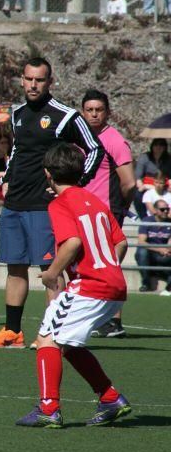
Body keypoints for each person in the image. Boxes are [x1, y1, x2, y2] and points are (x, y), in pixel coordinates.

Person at [0, 57, 103, 349]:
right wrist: (7, 180)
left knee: (50, 270)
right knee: (15, 267)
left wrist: (73, 186)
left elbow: (95, 149)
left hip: (45, 205)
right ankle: (12, 333)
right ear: (21, 80)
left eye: (40, 80)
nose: (33, 84)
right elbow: (18, 152)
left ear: (50, 82)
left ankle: (52, 334)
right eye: (29, 79)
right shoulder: (17, 114)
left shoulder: (65, 115)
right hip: (14, 203)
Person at [15, 142, 131, 428]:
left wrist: (51, 274)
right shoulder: (95, 201)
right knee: (68, 342)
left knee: (47, 338)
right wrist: (105, 266)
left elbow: (73, 243)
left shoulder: (60, 204)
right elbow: (121, 242)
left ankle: (48, 409)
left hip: (91, 286)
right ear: (81, 173)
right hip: (114, 286)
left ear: (47, 174)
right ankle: (109, 397)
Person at [81, 90, 136, 339]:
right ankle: (98, 318)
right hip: (84, 211)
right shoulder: (79, 138)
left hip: (107, 212)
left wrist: (120, 208)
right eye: (89, 109)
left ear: (107, 112)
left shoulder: (114, 140)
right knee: (91, 266)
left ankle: (113, 321)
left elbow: (129, 183)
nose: (94, 114)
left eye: (99, 109)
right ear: (82, 111)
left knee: (108, 264)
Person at [134, 201, 171, 294]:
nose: (166, 211)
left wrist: (167, 250)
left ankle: (166, 282)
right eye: (163, 209)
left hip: (163, 254)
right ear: (155, 210)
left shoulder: (169, 222)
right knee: (142, 252)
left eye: (167, 209)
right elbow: (141, 242)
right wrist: (160, 249)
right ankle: (146, 283)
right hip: (150, 252)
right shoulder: (147, 221)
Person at [134, 138, 171, 217]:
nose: (158, 147)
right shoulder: (144, 157)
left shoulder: (169, 159)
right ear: (152, 146)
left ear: (165, 147)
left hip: (164, 185)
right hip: (147, 186)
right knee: (137, 195)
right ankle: (144, 218)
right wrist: (151, 187)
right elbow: (138, 179)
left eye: (161, 145)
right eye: (156, 144)